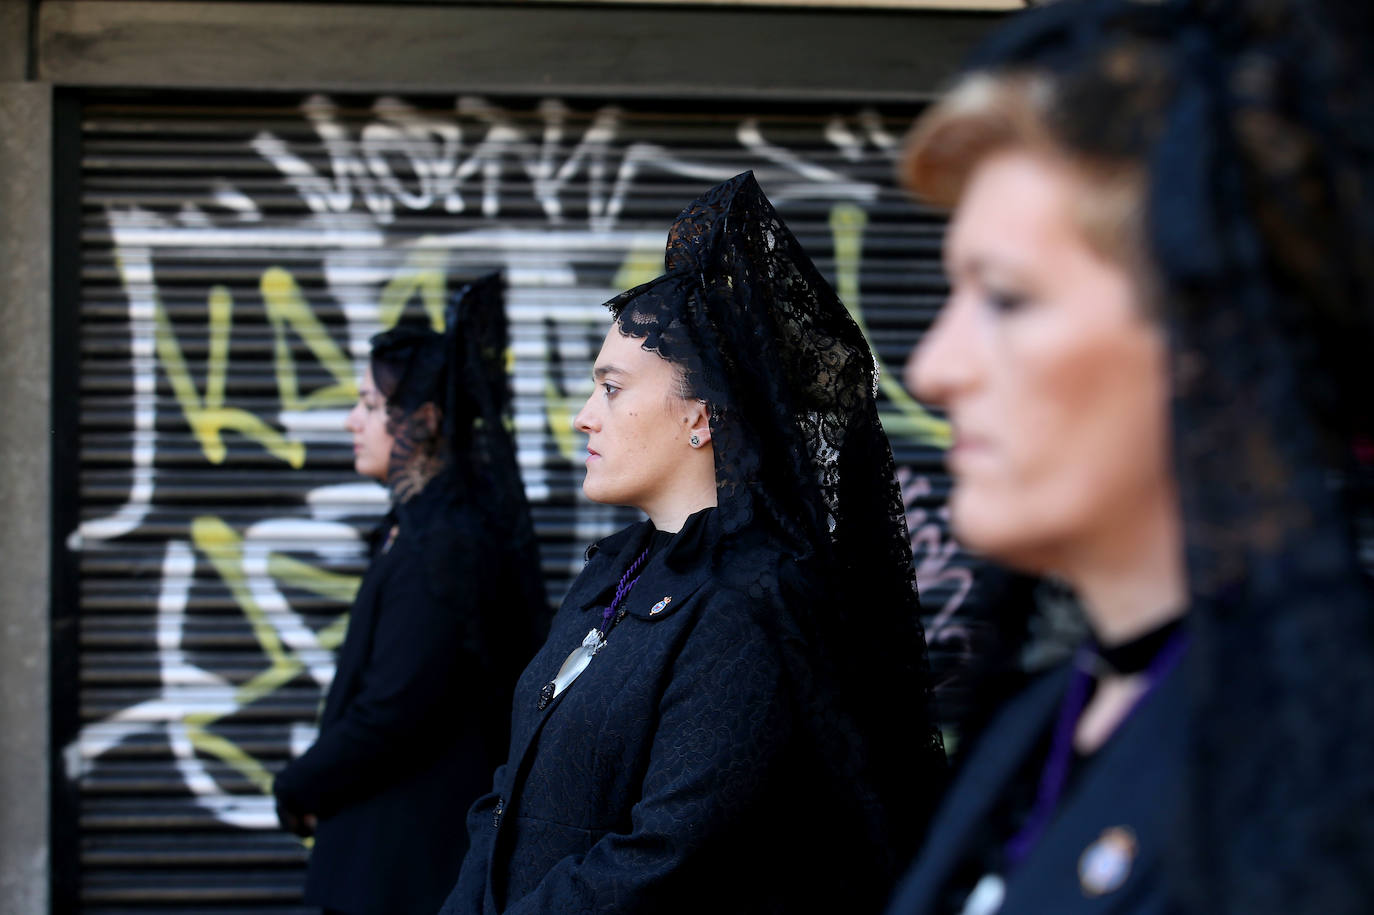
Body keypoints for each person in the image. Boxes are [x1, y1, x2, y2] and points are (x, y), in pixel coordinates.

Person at [885, 0, 1374, 913]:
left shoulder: (1326, 777)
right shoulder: (1045, 720)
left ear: (1214, 343)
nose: (932, 367)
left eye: (1006, 299)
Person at [442, 171, 946, 915]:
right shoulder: (611, 573)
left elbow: (667, 855)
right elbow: (505, 792)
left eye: (611, 388)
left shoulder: (751, 604)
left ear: (701, 417)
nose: (584, 415)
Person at [273, 274, 548, 915]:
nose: (351, 420)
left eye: (370, 406)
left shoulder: (445, 545)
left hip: (404, 872)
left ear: (422, 420)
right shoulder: (416, 529)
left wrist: (297, 784)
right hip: (381, 853)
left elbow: (395, 709)